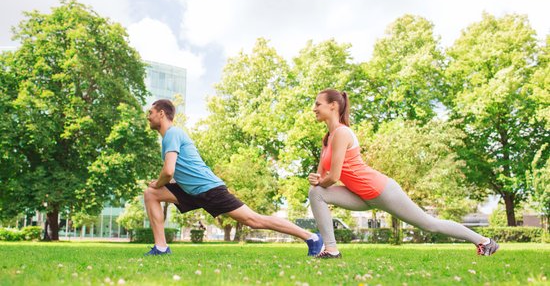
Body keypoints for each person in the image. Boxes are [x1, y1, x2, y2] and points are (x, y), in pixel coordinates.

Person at [308, 89, 499, 259]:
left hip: (381, 190)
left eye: (318, 104)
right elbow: (322, 176)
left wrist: (322, 181)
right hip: (360, 194)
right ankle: (331, 250)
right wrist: (316, 180)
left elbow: (332, 177)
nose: (314, 108)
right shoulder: (327, 139)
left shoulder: (342, 133)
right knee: (316, 193)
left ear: (333, 106)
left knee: (429, 224)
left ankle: (484, 241)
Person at [143, 99, 323, 256]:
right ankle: (161, 247)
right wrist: (160, 185)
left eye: (150, 113)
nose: (148, 116)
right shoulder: (169, 137)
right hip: (191, 191)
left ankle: (312, 237)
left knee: (253, 220)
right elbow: (181, 170)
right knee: (151, 194)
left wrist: (158, 183)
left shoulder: (173, 133)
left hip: (209, 189)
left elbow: (168, 172)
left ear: (161, 113)